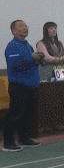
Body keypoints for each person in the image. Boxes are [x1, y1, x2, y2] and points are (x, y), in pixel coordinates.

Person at [3, 20, 43, 152]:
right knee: (15, 114)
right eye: (21, 26)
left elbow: (31, 62)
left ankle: (24, 138)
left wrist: (38, 58)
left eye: (26, 25)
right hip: (19, 85)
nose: (25, 28)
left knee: (27, 114)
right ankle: (8, 142)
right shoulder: (12, 46)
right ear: (14, 31)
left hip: (31, 84)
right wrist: (32, 57)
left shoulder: (28, 45)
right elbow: (14, 64)